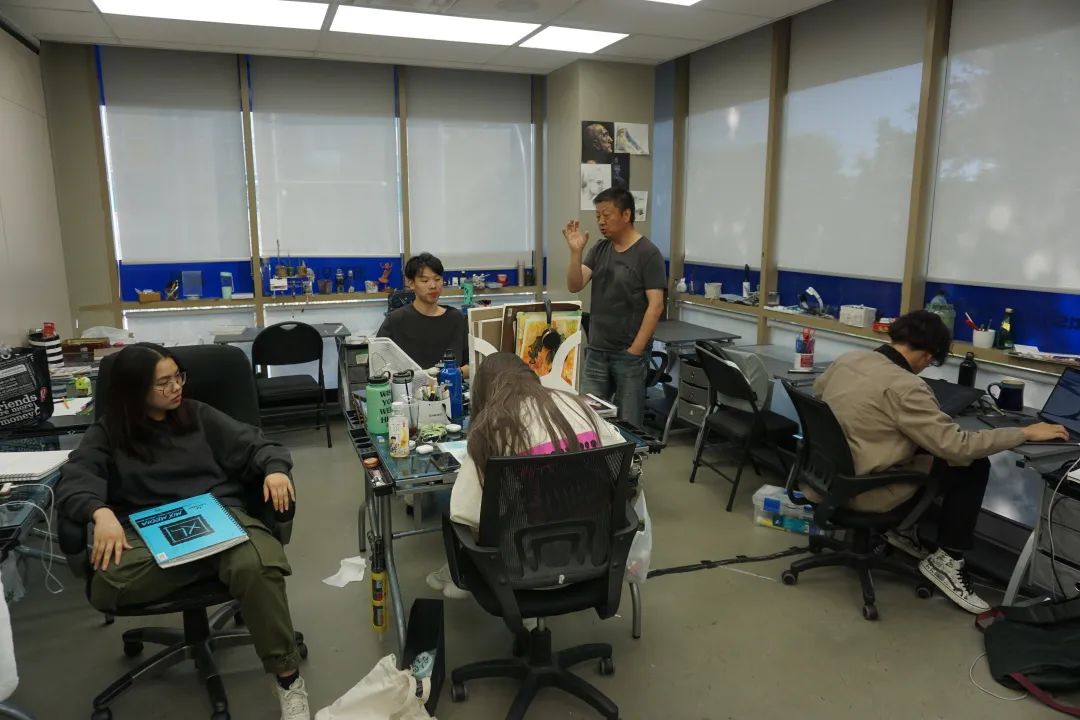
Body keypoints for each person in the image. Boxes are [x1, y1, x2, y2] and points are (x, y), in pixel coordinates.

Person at [57, 344, 310, 720]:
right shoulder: (109, 432)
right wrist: (100, 512)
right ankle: (216, 565)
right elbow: (75, 479)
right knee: (109, 583)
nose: (176, 387)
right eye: (163, 382)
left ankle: (288, 679)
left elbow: (259, 444)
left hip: (216, 514)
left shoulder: (199, 415)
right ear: (135, 389)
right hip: (148, 529)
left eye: (178, 377)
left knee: (258, 566)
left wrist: (274, 469)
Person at [813, 310, 1069, 614]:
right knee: (972, 465)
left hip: (824, 478)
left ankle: (903, 532)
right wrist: (1024, 432)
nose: (926, 367)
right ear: (928, 353)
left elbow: (819, 396)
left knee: (928, 452)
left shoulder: (849, 360)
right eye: (931, 362)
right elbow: (959, 447)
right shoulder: (907, 386)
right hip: (865, 492)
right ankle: (948, 560)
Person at [424, 353, 626, 599]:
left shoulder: (490, 428)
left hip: (518, 569)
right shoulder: (578, 406)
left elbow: (465, 514)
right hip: (593, 556)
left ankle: (455, 575)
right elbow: (620, 461)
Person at [565, 186, 666, 426]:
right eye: (597, 216)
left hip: (628, 355)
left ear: (626, 214)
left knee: (627, 425)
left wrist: (635, 350)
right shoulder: (600, 249)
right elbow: (574, 285)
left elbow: (656, 306)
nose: (601, 221)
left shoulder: (648, 253)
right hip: (597, 352)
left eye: (606, 215)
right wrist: (575, 253)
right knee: (588, 421)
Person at [377, 252, 470, 377]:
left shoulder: (456, 318)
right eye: (425, 281)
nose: (433, 286)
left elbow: (472, 364)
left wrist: (453, 374)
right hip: (408, 388)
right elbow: (376, 367)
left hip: (451, 387)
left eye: (437, 279)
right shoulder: (396, 320)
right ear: (411, 283)